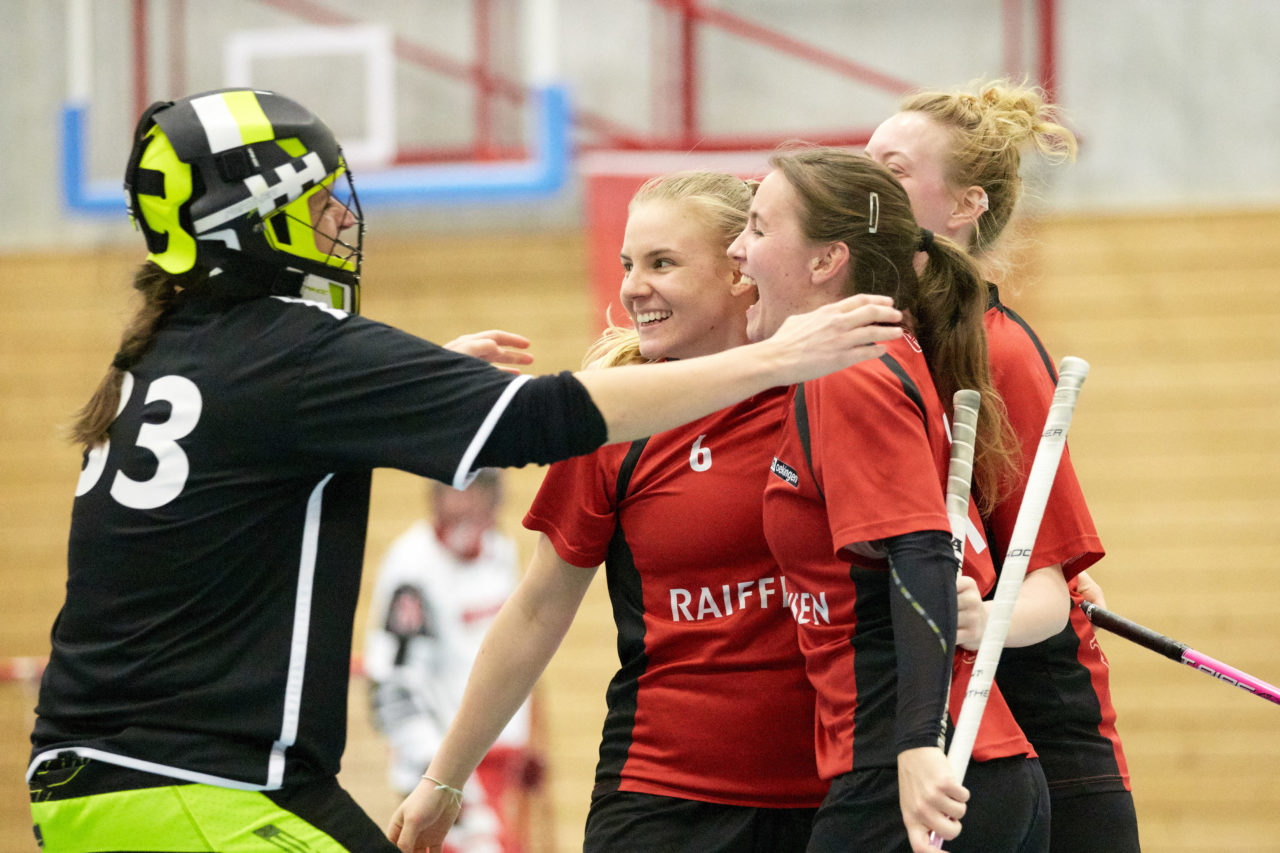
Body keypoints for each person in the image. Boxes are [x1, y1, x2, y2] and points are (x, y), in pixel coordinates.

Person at [24, 88, 904, 852]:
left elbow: (268, 432)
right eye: (319, 203)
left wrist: (415, 383)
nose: (341, 222)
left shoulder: (177, 353)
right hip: (199, 781)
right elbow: (538, 423)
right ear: (255, 220)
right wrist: (776, 358)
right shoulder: (293, 351)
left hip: (110, 777)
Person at [390, 171, 831, 853]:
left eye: (662, 263)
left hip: (830, 798)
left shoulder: (831, 397)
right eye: (628, 264)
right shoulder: (616, 420)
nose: (632, 287)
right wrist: (444, 778)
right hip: (662, 801)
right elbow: (537, 608)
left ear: (740, 270)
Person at [728, 145, 1053, 853]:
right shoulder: (881, 358)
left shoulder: (848, 370)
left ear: (826, 261)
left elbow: (922, 550)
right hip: (962, 768)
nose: (736, 248)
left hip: (919, 774)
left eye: (757, 227)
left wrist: (916, 744)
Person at [865, 79, 1138, 852]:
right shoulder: (869, 344)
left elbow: (1046, 592)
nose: (865, 185)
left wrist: (985, 617)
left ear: (964, 205)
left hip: (1045, 745)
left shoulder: (1000, 353)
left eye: (894, 170)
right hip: (939, 736)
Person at [364, 470, 539, 853]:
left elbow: (517, 656)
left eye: (481, 490)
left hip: (498, 764)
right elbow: (393, 688)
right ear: (436, 494)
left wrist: (526, 741)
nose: (469, 503)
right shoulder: (413, 565)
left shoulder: (499, 551)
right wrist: (440, 779)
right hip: (449, 769)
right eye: (459, 489)